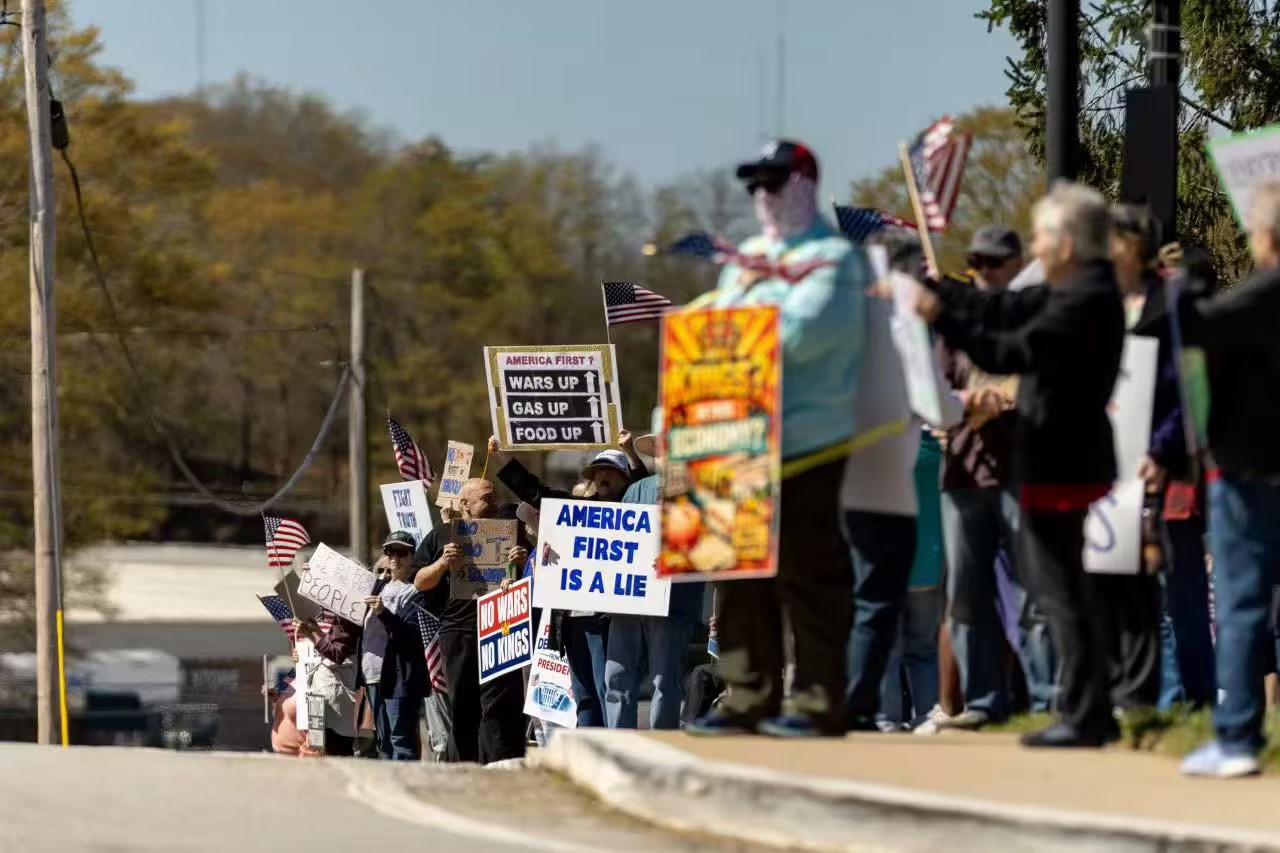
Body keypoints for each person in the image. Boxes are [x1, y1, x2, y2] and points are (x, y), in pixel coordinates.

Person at [916, 182, 1125, 748]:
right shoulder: (1073, 287)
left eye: (1039, 236)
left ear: (1064, 242)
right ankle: (1088, 708)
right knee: (1063, 587)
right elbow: (1001, 305)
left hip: (1063, 457)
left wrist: (939, 313)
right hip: (1059, 455)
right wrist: (938, 289)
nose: (1032, 246)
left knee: (1059, 589)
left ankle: (1085, 714)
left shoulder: (1084, 297)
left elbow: (1003, 352)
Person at [686, 139, 867, 738]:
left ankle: (817, 699)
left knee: (808, 572)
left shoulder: (834, 259)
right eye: (755, 185)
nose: (763, 194)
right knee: (735, 578)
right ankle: (748, 694)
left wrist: (730, 334)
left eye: (775, 181)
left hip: (809, 441)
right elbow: (705, 331)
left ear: (805, 184)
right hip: (734, 441)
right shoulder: (746, 260)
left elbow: (799, 336)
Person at [925, 224, 1055, 734]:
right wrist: (963, 404)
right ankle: (982, 700)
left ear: (1015, 264)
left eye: (994, 263)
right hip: (962, 470)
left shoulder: (1033, 316)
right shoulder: (952, 324)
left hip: (1022, 469)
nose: (983, 272)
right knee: (965, 594)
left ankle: (1047, 699)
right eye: (976, 262)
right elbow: (931, 393)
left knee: (1033, 592)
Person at [841, 230, 962, 731]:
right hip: (898, 501)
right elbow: (938, 405)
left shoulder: (845, 325)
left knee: (875, 619)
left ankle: (871, 713)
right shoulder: (907, 325)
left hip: (849, 485)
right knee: (905, 635)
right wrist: (959, 408)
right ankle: (894, 718)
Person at [1179, 181, 1280, 778]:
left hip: (1249, 469)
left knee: (1242, 604)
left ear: (1265, 235)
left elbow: (1196, 329)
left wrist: (1190, 282)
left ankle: (1238, 735)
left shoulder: (1265, 292)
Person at [489, 436, 634, 727]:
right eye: (597, 473)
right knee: (584, 697)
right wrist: (503, 457)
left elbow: (644, 480)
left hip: (607, 620)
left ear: (625, 480)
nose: (602, 478)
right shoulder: (577, 509)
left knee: (611, 691)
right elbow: (534, 491)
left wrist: (630, 451)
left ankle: (615, 756)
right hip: (570, 620)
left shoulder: (635, 512)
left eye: (610, 473)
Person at [413, 478, 529, 763]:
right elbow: (418, 581)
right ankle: (463, 767)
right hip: (459, 631)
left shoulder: (510, 531)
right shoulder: (442, 533)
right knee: (463, 706)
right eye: (487, 498)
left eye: (496, 496)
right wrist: (442, 563)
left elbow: (535, 574)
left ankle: (501, 764)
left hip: (502, 627)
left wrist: (524, 561)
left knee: (501, 705)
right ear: (465, 504)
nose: (495, 502)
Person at [604, 412, 706, 730]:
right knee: (617, 678)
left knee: (666, 679)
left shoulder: (699, 493)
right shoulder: (638, 491)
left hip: (673, 602)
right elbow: (610, 540)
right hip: (628, 600)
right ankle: (618, 745)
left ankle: (663, 740)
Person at [359, 532, 431, 760]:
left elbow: (413, 635)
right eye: (390, 552)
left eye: (401, 552)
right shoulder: (378, 587)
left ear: (412, 556)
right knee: (383, 740)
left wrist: (383, 613)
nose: (394, 558)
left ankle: (405, 787)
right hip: (372, 673)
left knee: (401, 739)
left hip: (399, 675)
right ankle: (388, 786)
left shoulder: (415, 590)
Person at [293, 610, 361, 757]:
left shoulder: (347, 617)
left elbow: (337, 654)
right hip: (319, 698)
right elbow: (330, 648)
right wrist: (316, 631)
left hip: (336, 703)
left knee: (336, 753)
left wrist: (311, 635)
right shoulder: (337, 619)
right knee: (320, 751)